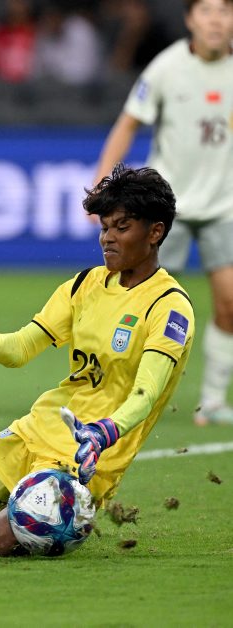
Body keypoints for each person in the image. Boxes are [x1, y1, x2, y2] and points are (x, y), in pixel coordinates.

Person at [0, 165, 194, 556]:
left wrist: (102, 433)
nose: (108, 237)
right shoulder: (83, 285)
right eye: (104, 227)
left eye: (122, 227)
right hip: (44, 424)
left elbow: (145, 394)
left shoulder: (169, 306)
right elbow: (20, 349)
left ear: (155, 232)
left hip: (89, 453)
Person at [93, 0, 233, 426]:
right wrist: (102, 184)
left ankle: (212, 401)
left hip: (223, 206)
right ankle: (114, 390)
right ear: (190, 19)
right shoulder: (167, 68)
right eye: (207, 11)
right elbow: (127, 123)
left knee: (229, 302)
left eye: (225, 11)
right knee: (137, 300)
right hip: (165, 209)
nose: (216, 20)